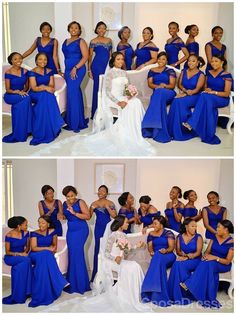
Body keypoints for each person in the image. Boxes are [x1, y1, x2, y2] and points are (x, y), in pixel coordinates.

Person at [180, 220, 234, 308]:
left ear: (226, 229)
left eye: (219, 227)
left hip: (223, 264)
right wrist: (206, 256)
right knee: (206, 262)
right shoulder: (214, 237)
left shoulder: (231, 243)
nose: (216, 229)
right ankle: (205, 295)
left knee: (209, 263)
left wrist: (215, 258)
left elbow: (227, 261)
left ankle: (189, 284)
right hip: (210, 261)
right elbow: (207, 252)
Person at [182, 55, 233, 144]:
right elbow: (205, 87)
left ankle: (192, 122)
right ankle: (205, 130)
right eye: (212, 61)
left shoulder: (227, 75)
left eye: (216, 61)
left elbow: (226, 93)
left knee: (205, 96)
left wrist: (214, 92)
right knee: (204, 95)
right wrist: (207, 89)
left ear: (222, 62)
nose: (213, 63)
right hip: (209, 97)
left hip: (221, 99)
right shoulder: (209, 73)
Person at [103, 215, 148, 311]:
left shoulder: (124, 235)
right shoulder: (113, 235)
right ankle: (127, 295)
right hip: (112, 261)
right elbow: (106, 252)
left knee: (135, 266)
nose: (128, 224)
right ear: (120, 224)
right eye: (126, 222)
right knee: (132, 267)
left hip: (121, 261)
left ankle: (137, 295)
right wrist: (114, 258)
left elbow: (127, 251)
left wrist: (138, 246)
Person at [29, 215, 67, 307]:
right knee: (46, 254)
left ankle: (41, 292)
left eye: (42, 222)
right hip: (35, 255)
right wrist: (46, 248)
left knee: (45, 260)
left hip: (46, 255)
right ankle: (60, 281)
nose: (40, 224)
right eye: (39, 222)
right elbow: (34, 248)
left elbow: (54, 247)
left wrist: (49, 250)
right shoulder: (34, 233)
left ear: (48, 224)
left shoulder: (53, 232)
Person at [28, 52, 64, 145]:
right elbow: (34, 88)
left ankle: (46, 129)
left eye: (45, 59)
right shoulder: (32, 72)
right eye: (40, 59)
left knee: (47, 96)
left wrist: (47, 88)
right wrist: (44, 87)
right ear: (36, 61)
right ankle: (53, 126)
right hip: (35, 94)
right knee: (46, 96)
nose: (43, 61)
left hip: (46, 93)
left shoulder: (50, 71)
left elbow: (52, 86)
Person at [167, 54, 205, 141]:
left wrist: (186, 94)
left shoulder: (201, 75)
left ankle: (183, 131)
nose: (190, 63)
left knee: (180, 101)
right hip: (185, 93)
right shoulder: (184, 71)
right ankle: (172, 130)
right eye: (189, 61)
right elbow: (179, 84)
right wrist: (184, 91)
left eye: (193, 61)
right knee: (176, 101)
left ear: (198, 63)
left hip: (195, 96)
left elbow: (197, 89)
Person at [142, 51, 176, 143]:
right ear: (157, 60)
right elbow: (150, 84)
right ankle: (159, 131)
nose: (161, 60)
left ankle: (148, 129)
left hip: (168, 93)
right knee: (158, 95)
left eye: (163, 59)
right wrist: (158, 87)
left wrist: (163, 86)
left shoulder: (170, 71)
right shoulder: (152, 71)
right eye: (159, 58)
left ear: (167, 61)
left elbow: (172, 85)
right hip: (157, 92)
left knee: (159, 93)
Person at [141, 216, 176, 307]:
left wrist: (166, 251)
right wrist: (151, 252)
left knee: (157, 257)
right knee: (157, 257)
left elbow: (171, 247)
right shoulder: (151, 234)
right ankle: (159, 295)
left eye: (155, 224)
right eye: (153, 223)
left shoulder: (168, 233)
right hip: (157, 256)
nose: (153, 225)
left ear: (161, 224)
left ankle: (148, 293)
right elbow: (150, 248)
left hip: (168, 255)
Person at [62, 185, 91, 294]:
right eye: (68, 196)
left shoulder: (81, 202)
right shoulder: (64, 204)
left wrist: (74, 213)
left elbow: (88, 216)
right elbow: (66, 216)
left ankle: (81, 284)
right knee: (72, 254)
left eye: (72, 195)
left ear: (75, 194)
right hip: (71, 231)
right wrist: (63, 216)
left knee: (77, 254)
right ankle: (72, 282)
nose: (70, 198)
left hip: (81, 229)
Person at [168, 218, 203, 305]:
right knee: (176, 264)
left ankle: (186, 292)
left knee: (180, 265)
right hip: (184, 259)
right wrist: (182, 255)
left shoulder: (198, 237)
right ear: (186, 227)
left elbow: (198, 252)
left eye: (195, 226)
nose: (194, 228)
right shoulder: (179, 237)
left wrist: (187, 257)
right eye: (192, 226)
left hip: (196, 260)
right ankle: (178, 293)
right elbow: (178, 251)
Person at [62, 21, 89, 132]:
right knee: (74, 93)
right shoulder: (65, 41)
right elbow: (66, 57)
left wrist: (75, 68)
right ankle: (76, 120)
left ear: (79, 30)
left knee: (73, 93)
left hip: (78, 69)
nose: (74, 29)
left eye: (76, 28)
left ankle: (75, 123)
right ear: (69, 29)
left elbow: (85, 56)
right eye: (71, 27)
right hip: (68, 70)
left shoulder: (81, 41)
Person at [3, 52, 32, 143]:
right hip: (11, 95)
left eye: (20, 58)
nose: (18, 60)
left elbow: (27, 86)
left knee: (26, 99)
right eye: (15, 59)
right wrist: (16, 92)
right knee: (26, 99)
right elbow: (7, 89)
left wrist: (23, 92)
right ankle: (25, 131)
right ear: (11, 61)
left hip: (21, 94)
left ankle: (23, 131)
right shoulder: (8, 72)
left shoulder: (25, 71)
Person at [90, 185, 117, 282]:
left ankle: (109, 275)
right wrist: (91, 209)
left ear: (106, 193)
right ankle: (96, 275)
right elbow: (89, 218)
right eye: (99, 190)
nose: (100, 192)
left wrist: (108, 208)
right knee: (98, 249)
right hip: (98, 228)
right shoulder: (94, 203)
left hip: (108, 228)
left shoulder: (110, 203)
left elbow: (115, 216)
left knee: (108, 248)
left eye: (103, 191)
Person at [2, 216, 32, 305]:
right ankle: (26, 291)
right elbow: (7, 252)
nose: (27, 226)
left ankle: (20, 294)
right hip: (11, 257)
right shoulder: (9, 235)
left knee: (21, 266)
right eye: (25, 224)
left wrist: (25, 253)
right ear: (19, 225)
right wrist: (20, 254)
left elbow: (27, 247)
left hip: (21, 257)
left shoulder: (26, 233)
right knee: (27, 261)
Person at [88, 21, 112, 119]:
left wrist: (112, 68)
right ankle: (95, 112)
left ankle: (105, 113)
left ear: (105, 30)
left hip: (107, 66)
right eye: (99, 28)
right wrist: (89, 70)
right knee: (97, 88)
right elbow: (90, 56)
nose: (102, 30)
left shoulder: (109, 40)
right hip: (96, 66)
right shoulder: (93, 41)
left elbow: (111, 55)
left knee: (106, 88)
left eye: (103, 28)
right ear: (96, 29)